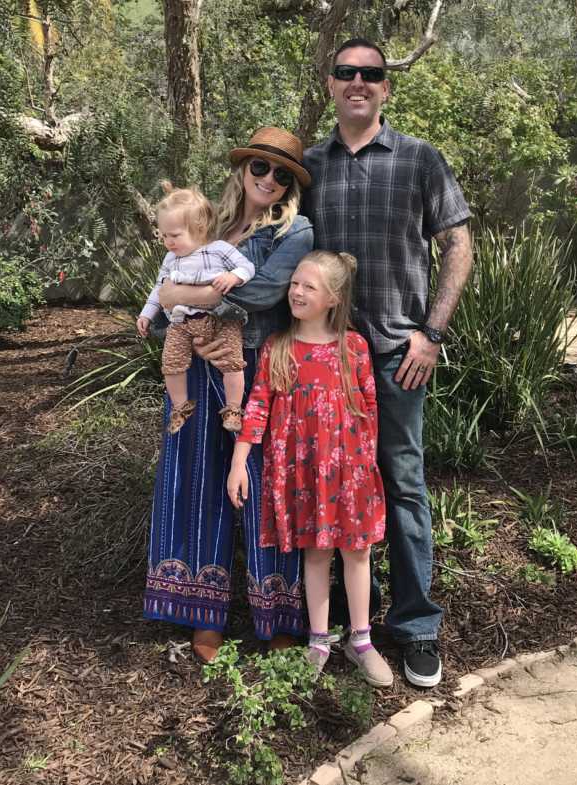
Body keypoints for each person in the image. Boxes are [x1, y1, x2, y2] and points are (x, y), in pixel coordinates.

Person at [302, 38, 474, 688]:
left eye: (370, 74)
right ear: (330, 84)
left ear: (385, 88)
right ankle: (344, 627)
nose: (358, 82)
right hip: (327, 361)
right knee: (328, 490)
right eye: (346, 72)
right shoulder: (310, 166)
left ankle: (416, 628)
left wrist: (432, 332)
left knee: (401, 484)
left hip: (401, 356)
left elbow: (459, 247)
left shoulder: (420, 159)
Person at [143, 127, 314, 663]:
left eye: (281, 174)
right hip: (194, 370)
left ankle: (280, 614)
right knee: (197, 480)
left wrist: (179, 294)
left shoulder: (296, 230)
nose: (268, 179)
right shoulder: (210, 223)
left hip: (258, 368)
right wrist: (166, 302)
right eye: (259, 168)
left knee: (267, 486)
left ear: (291, 185)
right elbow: (163, 299)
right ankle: (201, 611)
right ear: (243, 170)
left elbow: (266, 293)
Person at [227, 251, 394, 688]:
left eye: (309, 286)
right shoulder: (278, 347)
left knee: (357, 554)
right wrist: (240, 459)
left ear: (333, 298)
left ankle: (362, 640)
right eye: (295, 283)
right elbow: (258, 404)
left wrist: (365, 465)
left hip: (348, 472)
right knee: (315, 553)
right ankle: (319, 641)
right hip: (300, 473)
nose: (297, 292)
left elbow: (370, 408)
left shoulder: (352, 346)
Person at [137, 183, 255, 434]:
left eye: (174, 235)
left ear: (199, 227)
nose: (168, 242)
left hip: (220, 319)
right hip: (182, 323)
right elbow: (159, 289)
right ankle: (180, 407)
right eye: (164, 236)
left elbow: (247, 267)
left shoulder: (219, 250)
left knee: (233, 362)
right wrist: (147, 313)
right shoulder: (171, 259)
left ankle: (234, 408)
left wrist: (234, 277)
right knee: (171, 362)